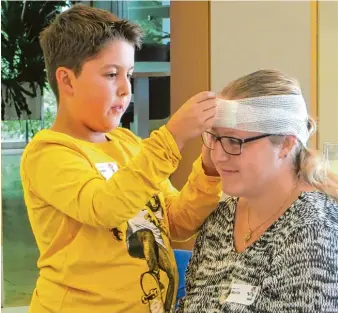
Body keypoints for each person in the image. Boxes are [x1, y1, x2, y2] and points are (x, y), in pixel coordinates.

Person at [20, 4, 222, 313]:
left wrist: (208, 168)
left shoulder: (128, 144)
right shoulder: (48, 153)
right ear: (67, 80)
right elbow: (105, 207)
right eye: (111, 74)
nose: (126, 89)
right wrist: (173, 137)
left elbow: (175, 223)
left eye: (129, 74)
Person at [176, 69, 338, 313]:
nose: (218, 156)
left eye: (234, 142)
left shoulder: (315, 229)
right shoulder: (221, 219)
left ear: (285, 144)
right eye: (214, 138)